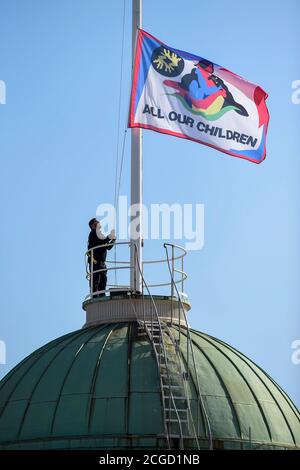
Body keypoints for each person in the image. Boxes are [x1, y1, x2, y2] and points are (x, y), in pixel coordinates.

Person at [87, 218, 116, 296]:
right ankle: (95, 296)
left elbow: (107, 247)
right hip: (95, 262)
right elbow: (103, 241)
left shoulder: (99, 234)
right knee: (96, 281)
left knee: (103, 281)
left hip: (102, 263)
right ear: (93, 225)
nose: (99, 222)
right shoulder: (93, 233)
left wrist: (113, 240)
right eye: (97, 221)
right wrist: (109, 237)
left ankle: (102, 295)